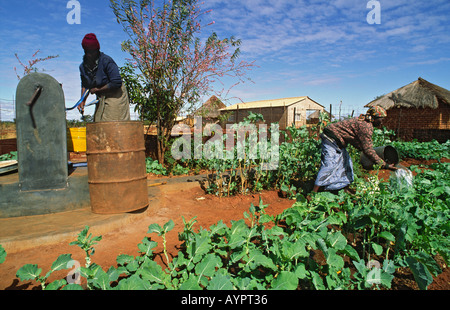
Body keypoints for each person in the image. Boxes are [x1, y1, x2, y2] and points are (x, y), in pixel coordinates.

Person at [312, 106, 397, 194]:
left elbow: (354, 138)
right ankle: (313, 192)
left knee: (347, 164)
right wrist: (385, 165)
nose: (382, 122)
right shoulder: (366, 127)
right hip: (331, 138)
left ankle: (343, 189)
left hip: (339, 141)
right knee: (329, 165)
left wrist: (364, 149)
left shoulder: (364, 121)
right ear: (375, 117)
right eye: (381, 119)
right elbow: (368, 150)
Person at [78, 33, 130, 122]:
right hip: (101, 95)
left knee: (112, 122)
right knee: (99, 121)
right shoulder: (83, 67)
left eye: (92, 52)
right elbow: (85, 84)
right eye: (87, 52)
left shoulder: (107, 61)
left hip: (115, 94)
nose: (90, 55)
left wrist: (97, 90)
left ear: (97, 50)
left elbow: (116, 82)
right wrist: (82, 101)